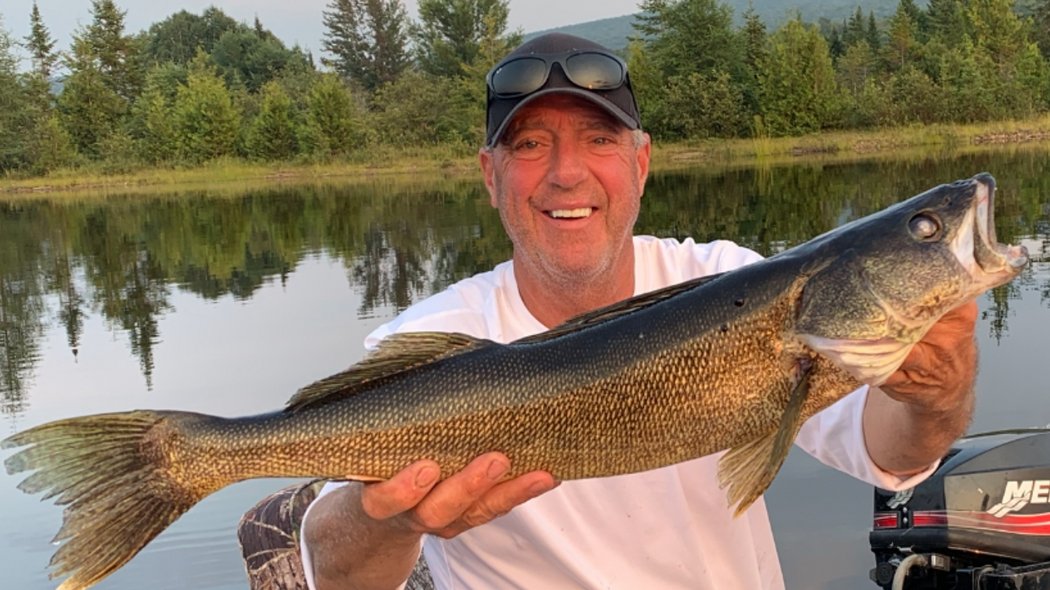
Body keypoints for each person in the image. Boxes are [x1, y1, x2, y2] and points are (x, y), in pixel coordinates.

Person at [239, 32, 978, 590]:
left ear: (641, 163)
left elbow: (896, 454)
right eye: (530, 145)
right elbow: (335, 573)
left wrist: (939, 396)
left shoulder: (728, 279)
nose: (567, 173)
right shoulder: (433, 341)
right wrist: (390, 517)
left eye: (598, 139)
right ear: (490, 177)